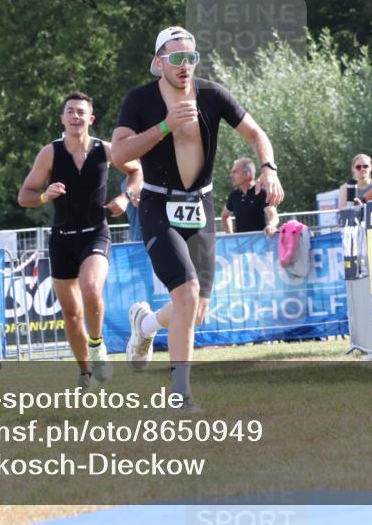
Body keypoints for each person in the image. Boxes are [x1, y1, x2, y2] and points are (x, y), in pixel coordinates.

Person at [111, 26, 284, 410]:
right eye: (175, 58)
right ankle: (180, 394)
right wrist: (164, 127)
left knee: (196, 311)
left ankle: (146, 325)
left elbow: (256, 134)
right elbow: (119, 154)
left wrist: (268, 168)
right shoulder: (140, 99)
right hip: (157, 204)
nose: (184, 65)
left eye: (190, 57)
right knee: (186, 294)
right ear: (159, 62)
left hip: (200, 206)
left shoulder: (212, 94)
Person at [18, 91, 142, 389]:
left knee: (90, 287)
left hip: (95, 233)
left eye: (81, 112)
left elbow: (137, 171)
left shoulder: (106, 150)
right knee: (72, 315)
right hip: (62, 239)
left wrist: (126, 197)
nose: (75, 116)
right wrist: (47, 195)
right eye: (70, 111)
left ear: (91, 118)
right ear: (62, 118)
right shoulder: (50, 153)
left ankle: (98, 345)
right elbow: (26, 196)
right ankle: (86, 373)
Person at [221, 157, 279, 237]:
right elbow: (225, 216)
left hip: (262, 244)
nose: (231, 175)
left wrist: (271, 225)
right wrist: (230, 236)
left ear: (247, 174)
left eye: (234, 172)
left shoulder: (262, 193)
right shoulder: (234, 195)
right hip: (241, 246)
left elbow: (273, 216)